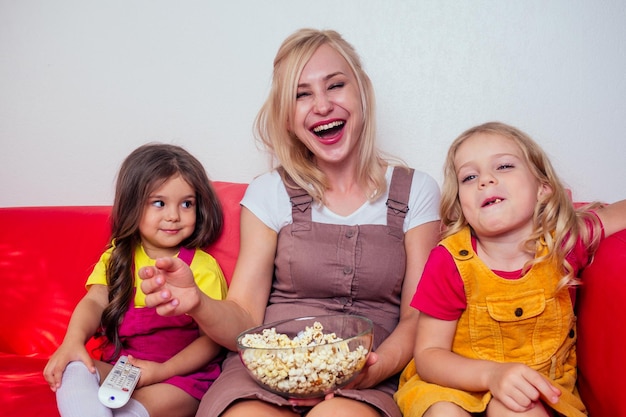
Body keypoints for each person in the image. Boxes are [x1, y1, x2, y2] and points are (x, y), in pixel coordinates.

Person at [138, 28, 441, 417]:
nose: (322, 105)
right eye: (302, 94)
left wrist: (379, 366)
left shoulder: (415, 190)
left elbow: (419, 314)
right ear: (287, 117)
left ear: (362, 90)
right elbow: (244, 318)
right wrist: (198, 303)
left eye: (335, 85)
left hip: (367, 378)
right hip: (265, 374)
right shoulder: (269, 192)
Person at [394, 122, 626, 417]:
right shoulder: (450, 260)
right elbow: (429, 356)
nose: (485, 180)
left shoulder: (564, 242)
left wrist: (577, 220)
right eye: (469, 176)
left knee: (517, 408)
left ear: (543, 188)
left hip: (535, 388)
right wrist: (491, 375)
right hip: (454, 382)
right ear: (460, 203)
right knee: (443, 412)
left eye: (503, 166)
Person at [43, 143, 228, 417]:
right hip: (125, 369)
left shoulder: (203, 267)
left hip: (181, 376)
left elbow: (211, 340)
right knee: (74, 369)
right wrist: (72, 341)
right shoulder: (117, 257)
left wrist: (162, 371)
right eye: (159, 203)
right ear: (132, 204)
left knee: (130, 411)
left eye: (186, 203)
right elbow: (94, 301)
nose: (174, 216)